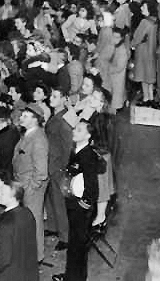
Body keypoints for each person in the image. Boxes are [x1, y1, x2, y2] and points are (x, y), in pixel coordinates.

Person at [52, 119, 101, 281]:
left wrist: (84, 203)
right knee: (75, 244)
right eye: (75, 128)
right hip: (74, 202)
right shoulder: (78, 150)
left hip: (80, 206)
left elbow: (92, 184)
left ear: (88, 135)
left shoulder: (87, 155)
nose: (74, 131)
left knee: (77, 246)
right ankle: (74, 276)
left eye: (79, 130)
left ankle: (73, 278)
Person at [12, 103, 49, 262]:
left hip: (31, 186)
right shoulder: (28, 134)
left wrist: (30, 188)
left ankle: (36, 257)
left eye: (26, 116)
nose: (21, 118)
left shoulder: (38, 139)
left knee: (34, 221)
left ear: (35, 120)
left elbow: (41, 172)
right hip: (23, 183)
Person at [45, 86, 73, 251]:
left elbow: (68, 146)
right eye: (52, 95)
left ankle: (65, 236)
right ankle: (53, 227)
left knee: (59, 202)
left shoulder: (64, 120)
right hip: (50, 164)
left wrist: (63, 167)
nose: (51, 98)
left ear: (64, 99)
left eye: (55, 96)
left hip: (57, 167)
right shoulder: (55, 116)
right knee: (51, 199)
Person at [0, 179, 38, 281]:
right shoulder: (28, 213)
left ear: (13, 197)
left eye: (3, 193)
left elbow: (4, 257)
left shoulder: (6, 223)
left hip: (9, 275)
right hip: (28, 270)